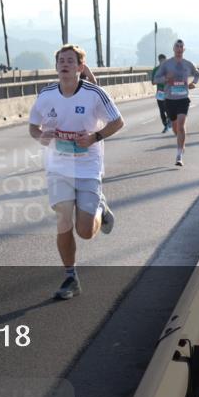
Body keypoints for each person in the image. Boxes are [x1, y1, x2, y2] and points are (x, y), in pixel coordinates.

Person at [29, 44, 124, 300]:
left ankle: (100, 208)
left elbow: (118, 121)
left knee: (84, 231)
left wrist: (94, 137)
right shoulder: (47, 94)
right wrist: (42, 136)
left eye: (71, 61)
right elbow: (33, 127)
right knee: (63, 220)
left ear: (80, 67)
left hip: (87, 168)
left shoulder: (94, 93)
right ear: (56, 66)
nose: (65, 64)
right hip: (58, 167)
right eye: (61, 60)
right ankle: (70, 277)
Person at [154, 39, 199, 166]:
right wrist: (165, 78)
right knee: (175, 127)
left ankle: (179, 155)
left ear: (184, 49)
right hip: (169, 99)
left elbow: (197, 74)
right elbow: (156, 79)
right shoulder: (166, 64)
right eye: (177, 46)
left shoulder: (188, 64)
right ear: (173, 49)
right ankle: (180, 141)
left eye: (181, 46)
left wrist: (194, 83)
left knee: (181, 125)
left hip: (183, 99)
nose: (179, 48)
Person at [150, 53, 170, 133]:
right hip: (160, 92)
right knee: (162, 110)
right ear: (159, 61)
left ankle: (169, 123)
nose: (163, 63)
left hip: (168, 92)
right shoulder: (156, 70)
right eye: (162, 61)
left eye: (164, 61)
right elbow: (153, 82)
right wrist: (161, 80)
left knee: (168, 109)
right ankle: (165, 125)